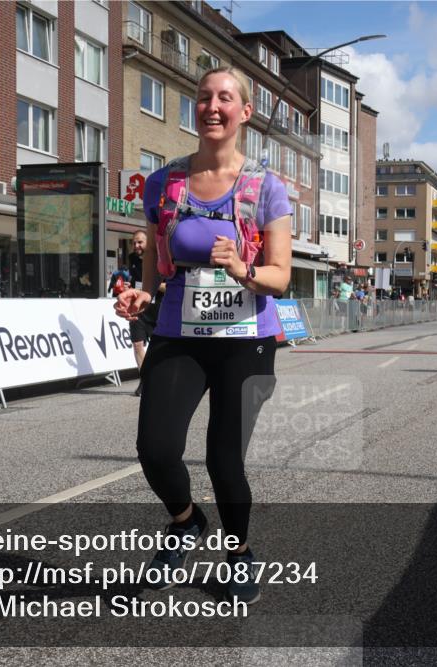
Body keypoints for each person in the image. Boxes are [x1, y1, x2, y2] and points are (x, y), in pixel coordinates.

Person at [115, 66, 292, 605]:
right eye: (203, 98)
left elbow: (280, 277)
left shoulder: (265, 187)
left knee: (223, 460)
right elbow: (156, 264)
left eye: (225, 98)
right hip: (180, 330)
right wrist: (144, 294)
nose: (212, 107)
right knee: (156, 447)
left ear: (245, 112)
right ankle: (186, 521)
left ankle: (239, 557)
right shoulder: (163, 183)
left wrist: (244, 270)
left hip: (247, 338)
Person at [128, 230, 164, 397]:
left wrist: (147, 289)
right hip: (138, 310)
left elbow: (168, 286)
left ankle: (160, 379)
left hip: (158, 310)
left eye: (140, 242)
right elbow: (134, 282)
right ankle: (145, 380)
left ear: (148, 243)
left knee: (159, 348)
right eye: (134, 243)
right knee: (137, 345)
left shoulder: (160, 259)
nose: (136, 246)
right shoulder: (132, 259)